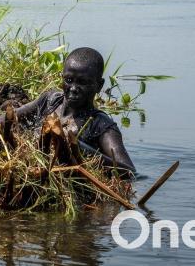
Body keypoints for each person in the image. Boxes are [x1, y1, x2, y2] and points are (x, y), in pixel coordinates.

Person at [9, 47, 136, 177]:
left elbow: (129, 171)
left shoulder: (101, 125)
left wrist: (77, 146)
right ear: (62, 78)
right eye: (68, 80)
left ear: (99, 85)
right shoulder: (50, 101)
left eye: (82, 82)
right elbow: (7, 118)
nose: (73, 88)